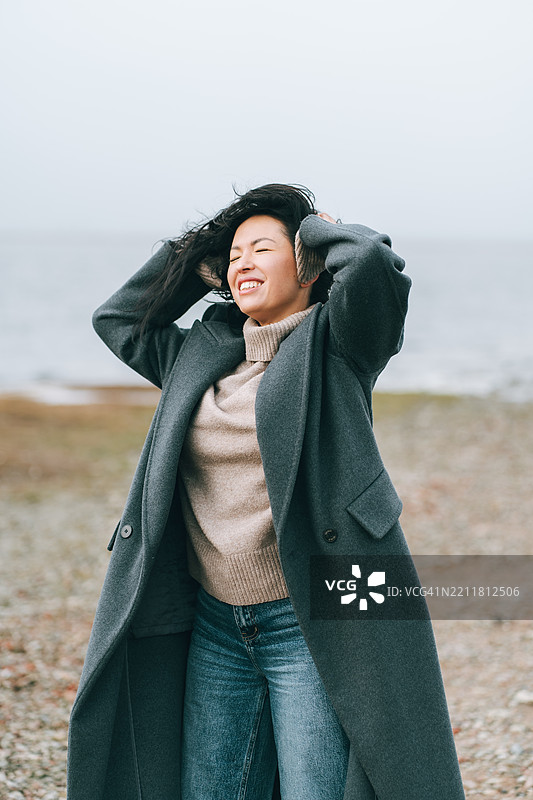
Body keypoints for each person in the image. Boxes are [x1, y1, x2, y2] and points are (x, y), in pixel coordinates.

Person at [67, 184, 466, 800]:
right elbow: (117, 318)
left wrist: (318, 231)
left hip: (308, 621)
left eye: (261, 248)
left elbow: (372, 266)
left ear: (306, 265)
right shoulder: (199, 356)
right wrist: (197, 258)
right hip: (216, 625)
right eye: (233, 255)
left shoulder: (341, 347)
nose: (241, 262)